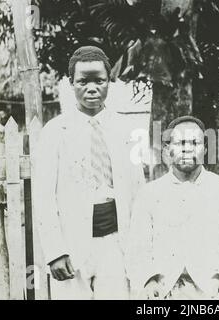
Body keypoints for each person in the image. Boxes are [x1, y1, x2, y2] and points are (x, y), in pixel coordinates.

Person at [34, 46, 145, 299]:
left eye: (100, 81)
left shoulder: (126, 129)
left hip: (117, 242)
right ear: (71, 82)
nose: (92, 88)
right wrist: (56, 251)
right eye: (83, 81)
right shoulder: (56, 132)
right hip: (72, 244)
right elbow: (44, 198)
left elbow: (138, 190)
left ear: (109, 82)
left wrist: (139, 246)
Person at [126, 116, 219, 300]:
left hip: (212, 289)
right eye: (180, 143)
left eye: (195, 142)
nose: (187, 149)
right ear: (167, 149)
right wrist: (149, 280)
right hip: (164, 290)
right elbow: (137, 249)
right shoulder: (148, 194)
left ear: (205, 149)